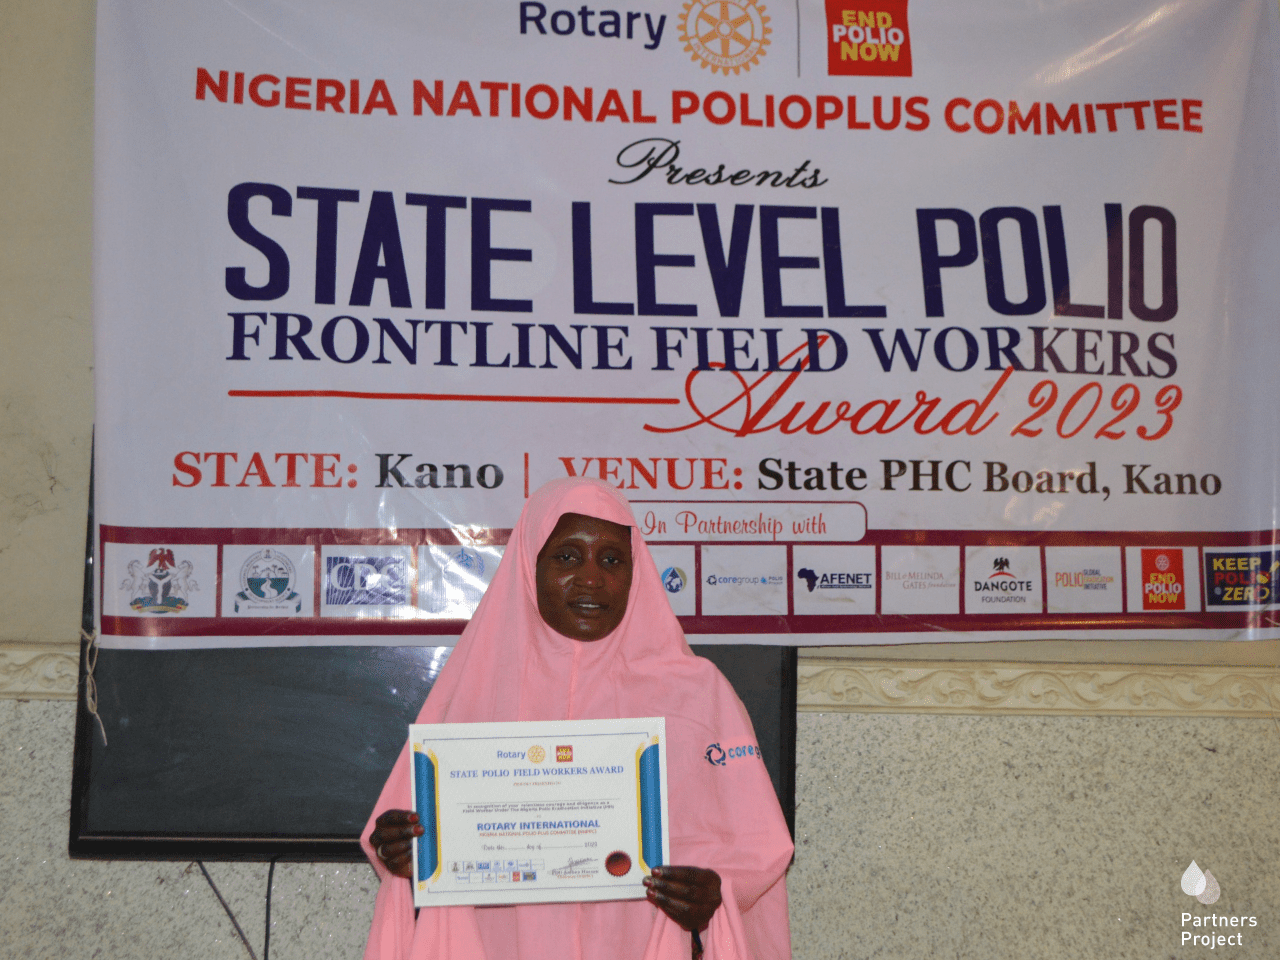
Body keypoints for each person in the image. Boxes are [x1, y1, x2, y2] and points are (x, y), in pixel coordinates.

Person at [362, 477, 793, 960]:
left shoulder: (698, 693)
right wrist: (401, 848)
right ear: (529, 565)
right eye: (567, 557)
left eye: (611, 560)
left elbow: (761, 848)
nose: (592, 578)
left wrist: (716, 892)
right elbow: (406, 834)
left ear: (636, 572)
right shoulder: (472, 690)